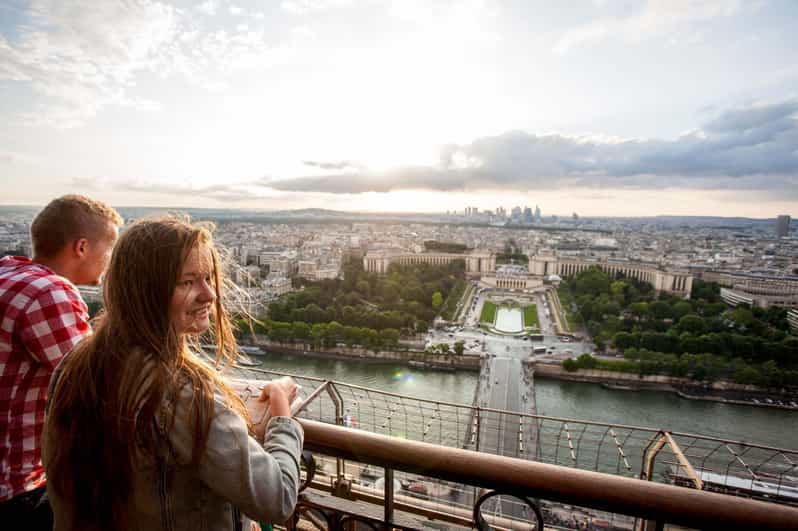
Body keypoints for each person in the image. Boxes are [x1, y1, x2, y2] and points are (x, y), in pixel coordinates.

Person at [43, 217, 304, 531]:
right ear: (146, 292)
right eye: (188, 282)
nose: (210, 294)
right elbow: (278, 497)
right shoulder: (183, 395)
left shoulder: (75, 364)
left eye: (208, 278)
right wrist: (282, 416)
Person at [0, 195, 122, 527]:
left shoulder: (7, 272)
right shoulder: (49, 293)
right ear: (81, 247)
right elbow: (101, 383)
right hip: (15, 490)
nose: (109, 261)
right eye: (108, 251)